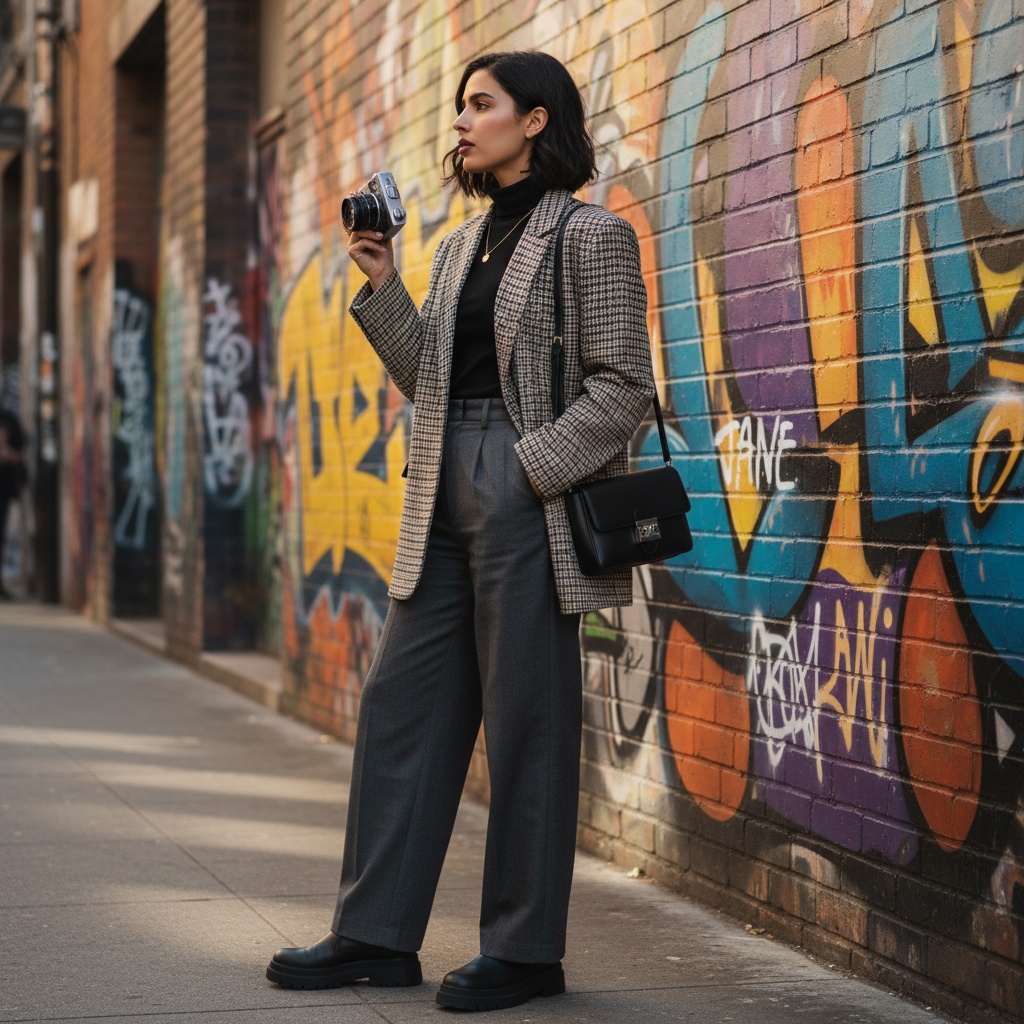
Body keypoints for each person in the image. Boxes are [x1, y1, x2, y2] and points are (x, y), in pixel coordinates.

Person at [266, 50, 655, 1012]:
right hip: (440, 482)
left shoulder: (589, 237)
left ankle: (526, 952)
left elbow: (624, 389)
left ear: (535, 121)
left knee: (528, 720)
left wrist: (528, 470)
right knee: (401, 708)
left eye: (480, 104)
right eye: (458, 106)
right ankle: (375, 935)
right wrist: (380, 279)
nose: (461, 120)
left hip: (527, 484)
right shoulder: (457, 247)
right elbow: (427, 380)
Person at [0, 406, 26, 600]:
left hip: (4, 491)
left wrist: (8, 455)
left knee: (2, 537)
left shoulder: (9, 419)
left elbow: (22, 453)